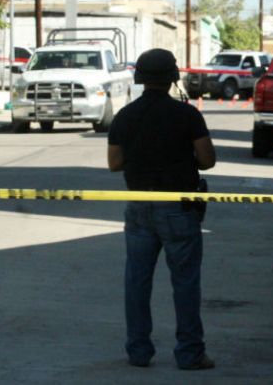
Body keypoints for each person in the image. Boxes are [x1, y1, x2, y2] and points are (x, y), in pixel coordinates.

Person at [107, 48, 217, 370]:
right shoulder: (187, 115)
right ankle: (190, 353)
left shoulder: (125, 115)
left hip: (140, 207)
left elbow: (114, 163)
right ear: (173, 77)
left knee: (137, 282)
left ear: (139, 78)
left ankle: (139, 352)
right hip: (178, 209)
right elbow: (208, 160)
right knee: (185, 282)